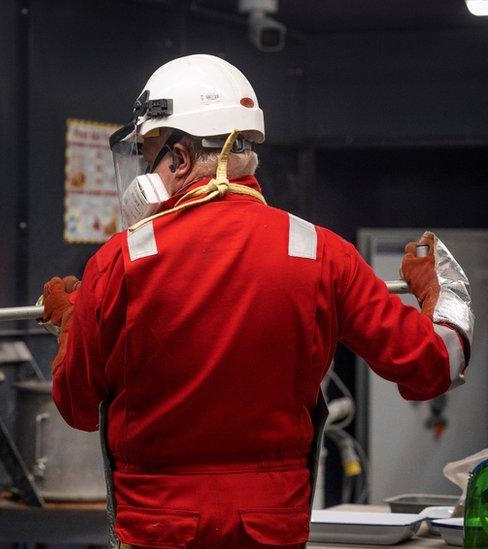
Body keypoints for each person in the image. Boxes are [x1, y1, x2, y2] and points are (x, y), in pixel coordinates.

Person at [42, 54, 474, 549]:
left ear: (180, 159)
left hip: (158, 530)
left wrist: (73, 326)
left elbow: (77, 406)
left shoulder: (121, 261)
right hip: (272, 527)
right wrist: (437, 289)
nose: (145, 170)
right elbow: (437, 365)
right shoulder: (320, 252)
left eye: (150, 154)